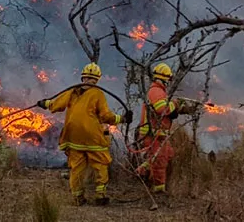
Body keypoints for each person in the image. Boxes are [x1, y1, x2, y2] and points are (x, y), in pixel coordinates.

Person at [37, 62, 132, 206]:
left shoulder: (72, 91)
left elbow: (57, 104)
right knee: (100, 163)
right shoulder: (97, 93)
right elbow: (106, 116)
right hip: (92, 136)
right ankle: (100, 195)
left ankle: (78, 198)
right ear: (97, 79)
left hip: (72, 136)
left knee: (77, 167)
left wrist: (45, 103)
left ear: (83, 77)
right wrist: (122, 119)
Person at [135, 62, 197, 198]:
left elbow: (166, 111)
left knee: (168, 154)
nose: (169, 82)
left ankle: (143, 169)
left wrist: (184, 109)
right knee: (160, 161)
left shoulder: (159, 91)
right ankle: (159, 190)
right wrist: (175, 104)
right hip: (154, 133)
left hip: (159, 133)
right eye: (168, 79)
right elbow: (162, 109)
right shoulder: (156, 91)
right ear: (164, 78)